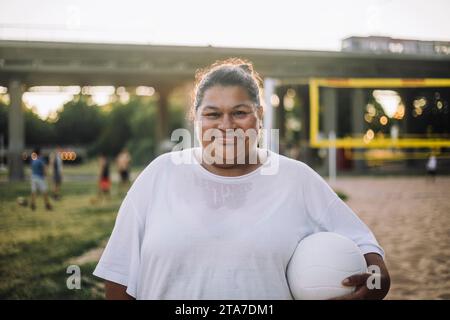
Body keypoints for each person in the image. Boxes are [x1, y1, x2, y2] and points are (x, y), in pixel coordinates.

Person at [93, 58, 390, 300]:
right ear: (196, 117)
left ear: (259, 115)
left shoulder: (296, 178)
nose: (226, 125)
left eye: (239, 113)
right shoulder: (160, 174)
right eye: (212, 114)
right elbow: (119, 277)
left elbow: (365, 246)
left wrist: (374, 283)